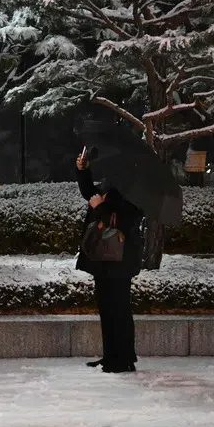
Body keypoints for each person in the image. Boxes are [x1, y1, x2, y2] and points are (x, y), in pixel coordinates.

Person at [76, 146, 144, 373]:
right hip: (105, 256)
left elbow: (123, 221)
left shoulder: (134, 189)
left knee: (119, 308)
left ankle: (124, 359)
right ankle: (111, 356)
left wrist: (100, 206)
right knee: (106, 307)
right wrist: (83, 171)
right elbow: (90, 194)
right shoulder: (112, 183)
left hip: (121, 258)